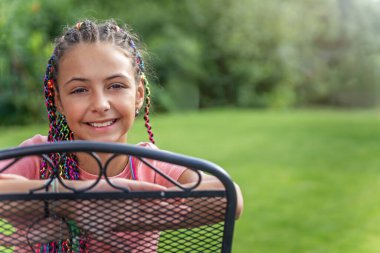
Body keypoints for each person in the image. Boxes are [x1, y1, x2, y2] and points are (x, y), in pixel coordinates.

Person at [0, 19, 243, 252]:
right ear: (59, 102)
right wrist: (74, 201)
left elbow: (229, 197)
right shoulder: (42, 157)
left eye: (115, 85)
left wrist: (117, 213)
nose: (101, 104)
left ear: (138, 95)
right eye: (80, 89)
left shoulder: (151, 166)